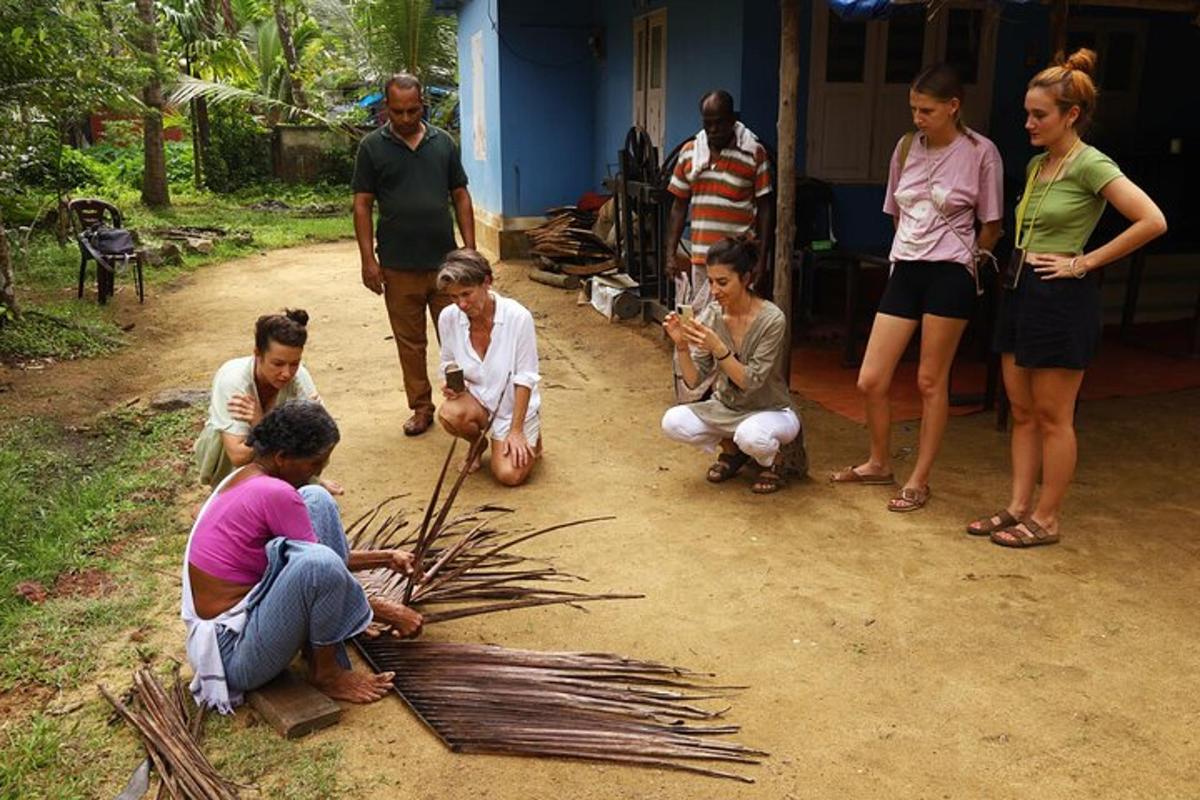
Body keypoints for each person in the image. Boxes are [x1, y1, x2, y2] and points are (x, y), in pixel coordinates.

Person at [970, 49, 1166, 548]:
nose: (1029, 123)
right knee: (1021, 409)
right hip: (1021, 289)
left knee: (1055, 414)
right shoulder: (1039, 164)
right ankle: (1018, 507)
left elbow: (1152, 220)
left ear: (1071, 115)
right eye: (1027, 113)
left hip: (1061, 296)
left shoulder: (1091, 164)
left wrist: (1084, 262)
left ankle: (1048, 518)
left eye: (1040, 115)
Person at [830, 64, 1003, 513]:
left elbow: (993, 224)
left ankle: (920, 478)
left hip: (951, 271)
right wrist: (907, 247)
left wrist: (971, 262)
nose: (917, 117)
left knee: (930, 380)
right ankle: (878, 461)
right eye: (913, 108)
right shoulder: (907, 147)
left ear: (953, 106)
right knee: (871, 378)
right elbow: (896, 210)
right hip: (906, 266)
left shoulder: (981, 151)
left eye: (926, 110)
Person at [182, 400, 424, 711]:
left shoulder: (246, 476)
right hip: (235, 656)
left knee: (316, 498)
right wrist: (388, 612)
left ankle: (318, 645)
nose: (319, 471)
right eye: (314, 463)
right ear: (282, 457)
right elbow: (322, 566)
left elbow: (325, 555)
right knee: (317, 564)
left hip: (247, 620)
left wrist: (387, 558)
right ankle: (327, 672)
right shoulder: (276, 493)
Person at [353, 72, 476, 437]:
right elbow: (361, 205)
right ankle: (421, 408)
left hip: (446, 267)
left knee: (457, 338)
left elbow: (461, 196)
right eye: (397, 112)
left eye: (412, 110)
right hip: (397, 265)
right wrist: (368, 260)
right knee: (410, 342)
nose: (405, 118)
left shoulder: (444, 143)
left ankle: (466, 401)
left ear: (422, 103)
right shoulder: (371, 147)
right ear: (386, 108)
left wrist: (468, 249)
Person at [661, 237, 803, 494]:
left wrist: (719, 348)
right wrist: (681, 346)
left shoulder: (772, 319)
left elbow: (750, 382)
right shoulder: (712, 315)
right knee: (672, 422)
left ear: (746, 279)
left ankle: (777, 461)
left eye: (722, 282)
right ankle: (731, 450)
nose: (714, 291)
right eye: (711, 281)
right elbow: (694, 381)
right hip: (726, 407)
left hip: (771, 408)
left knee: (752, 436)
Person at [193, 309, 341, 494]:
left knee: (310, 444)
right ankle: (223, 496)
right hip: (226, 461)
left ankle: (304, 482)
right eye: (277, 364)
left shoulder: (299, 376)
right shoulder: (233, 379)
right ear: (257, 354)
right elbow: (238, 455)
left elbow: (321, 438)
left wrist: (260, 424)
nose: (287, 373)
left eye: (294, 363)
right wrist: (270, 430)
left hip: (263, 446)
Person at [435, 249, 542, 487]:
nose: (461, 304)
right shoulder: (448, 318)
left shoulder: (518, 317)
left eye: (467, 294)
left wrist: (516, 430)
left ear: (487, 282)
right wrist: (452, 385)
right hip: (479, 400)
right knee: (449, 414)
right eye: (453, 297)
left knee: (509, 475)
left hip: (512, 408)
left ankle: (529, 430)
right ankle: (478, 443)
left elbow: (526, 377)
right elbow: (447, 362)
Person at [666, 89, 775, 311]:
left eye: (719, 123)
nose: (713, 130)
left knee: (737, 323)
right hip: (702, 260)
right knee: (703, 323)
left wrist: (762, 259)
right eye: (708, 124)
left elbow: (765, 209)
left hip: (740, 262)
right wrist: (670, 253)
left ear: (732, 120)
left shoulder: (754, 153)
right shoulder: (689, 153)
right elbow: (678, 207)